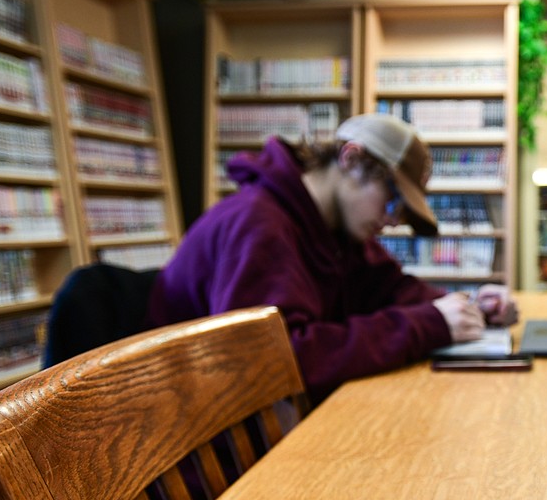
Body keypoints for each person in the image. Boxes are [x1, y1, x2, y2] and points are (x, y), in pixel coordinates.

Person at [145, 113, 518, 407]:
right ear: (351, 159)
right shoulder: (258, 225)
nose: (391, 221)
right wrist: (429, 325)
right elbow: (276, 363)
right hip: (203, 459)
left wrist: (471, 306)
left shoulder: (336, 231)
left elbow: (391, 289)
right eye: (392, 202)